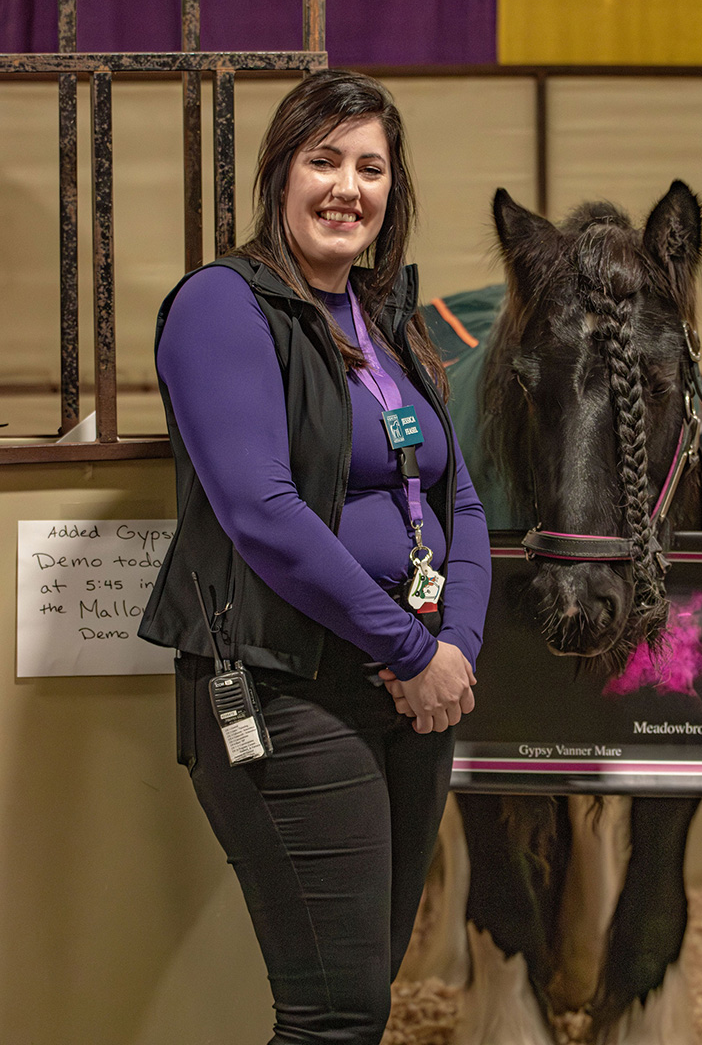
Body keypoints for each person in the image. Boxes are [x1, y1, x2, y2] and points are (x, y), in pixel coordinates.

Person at [139, 69, 492, 1044]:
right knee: (332, 1013)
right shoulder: (223, 306)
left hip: (412, 691)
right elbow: (262, 511)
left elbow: (455, 497)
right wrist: (413, 651)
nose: (347, 187)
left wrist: (452, 645)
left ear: (394, 188)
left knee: (365, 997)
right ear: (279, 175)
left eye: (370, 167)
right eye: (323, 160)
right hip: (286, 685)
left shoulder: (383, 320)